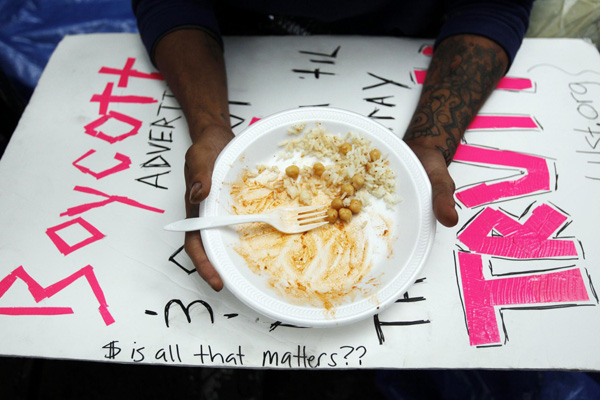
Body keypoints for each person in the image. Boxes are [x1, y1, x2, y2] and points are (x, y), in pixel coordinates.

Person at [132, 0, 533, 291]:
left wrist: (430, 141)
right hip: (234, 33)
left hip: (410, 33)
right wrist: (208, 124)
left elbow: (493, 6)